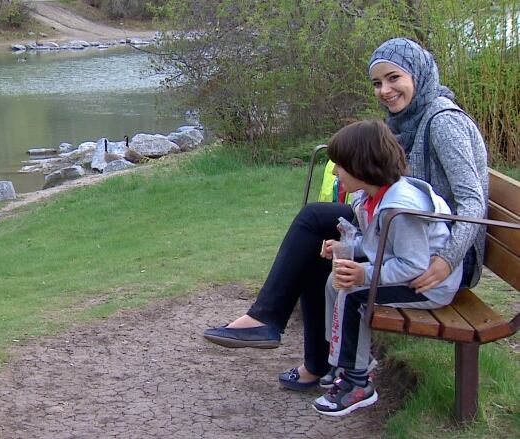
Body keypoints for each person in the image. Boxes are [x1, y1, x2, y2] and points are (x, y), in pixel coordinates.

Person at [203, 37, 488, 390]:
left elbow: (473, 202)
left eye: (394, 78)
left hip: (442, 250)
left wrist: (447, 258)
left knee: (313, 221)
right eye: (377, 83)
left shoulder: (443, 121)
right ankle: (304, 351)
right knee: (318, 235)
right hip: (403, 225)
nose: (385, 90)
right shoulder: (406, 118)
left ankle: (279, 329)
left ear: (418, 74)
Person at [312, 119, 463, 416]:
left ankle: (358, 384)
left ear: (360, 165)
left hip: (427, 285)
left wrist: (364, 273)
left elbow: (412, 263)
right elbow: (377, 244)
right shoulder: (371, 197)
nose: (334, 172)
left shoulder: (399, 208)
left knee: (353, 292)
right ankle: (344, 360)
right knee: (335, 283)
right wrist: (345, 249)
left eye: (339, 166)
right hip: (408, 273)